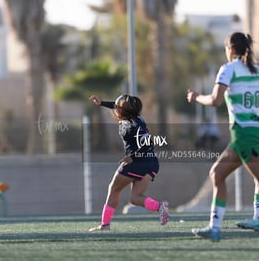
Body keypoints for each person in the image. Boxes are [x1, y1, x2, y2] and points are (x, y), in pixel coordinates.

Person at [187, 32, 259, 242]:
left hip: (244, 134)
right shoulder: (256, 71)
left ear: (231, 49)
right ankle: (215, 227)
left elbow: (216, 100)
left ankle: (218, 226)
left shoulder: (228, 69)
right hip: (251, 133)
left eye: (226, 48)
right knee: (217, 174)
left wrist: (195, 97)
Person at [88, 94, 169, 232]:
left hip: (138, 161)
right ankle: (159, 207)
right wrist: (101, 103)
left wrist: (132, 156)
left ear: (123, 111)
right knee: (135, 198)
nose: (115, 108)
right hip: (151, 163)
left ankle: (105, 225)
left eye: (118, 107)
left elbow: (149, 141)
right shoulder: (132, 116)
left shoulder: (134, 124)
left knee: (114, 188)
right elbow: (116, 104)